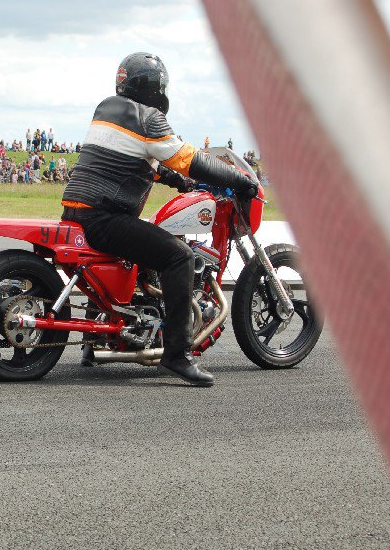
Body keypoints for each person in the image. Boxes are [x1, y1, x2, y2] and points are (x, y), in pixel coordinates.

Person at [60, 52, 258, 386]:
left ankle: (93, 341)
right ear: (156, 87)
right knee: (179, 257)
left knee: (133, 255)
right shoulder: (148, 118)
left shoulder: (107, 109)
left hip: (76, 210)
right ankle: (177, 355)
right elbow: (189, 159)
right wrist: (239, 180)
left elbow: (138, 160)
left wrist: (182, 182)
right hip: (104, 217)